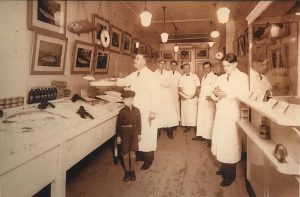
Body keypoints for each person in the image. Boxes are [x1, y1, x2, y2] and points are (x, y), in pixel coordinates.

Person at [210, 53, 249, 187]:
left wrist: (227, 94)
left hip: (232, 113)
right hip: (221, 112)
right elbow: (214, 91)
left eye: (227, 66)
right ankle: (223, 167)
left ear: (235, 64)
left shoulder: (242, 77)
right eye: (223, 66)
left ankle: (230, 175)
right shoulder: (220, 77)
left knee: (230, 143)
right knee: (220, 141)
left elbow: (244, 94)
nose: (225, 68)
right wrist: (215, 94)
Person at [116, 54, 160, 170]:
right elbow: (123, 81)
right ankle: (140, 154)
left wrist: (153, 111)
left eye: (137, 59)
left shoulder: (151, 76)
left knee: (148, 134)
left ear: (144, 62)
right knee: (138, 134)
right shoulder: (135, 74)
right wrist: (109, 81)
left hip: (147, 109)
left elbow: (156, 94)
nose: (134, 60)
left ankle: (149, 159)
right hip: (136, 109)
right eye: (135, 58)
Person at [116, 90, 141, 182]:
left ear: (133, 99)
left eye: (131, 100)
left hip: (134, 133)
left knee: (133, 152)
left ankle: (132, 171)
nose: (129, 102)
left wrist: (139, 134)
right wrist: (118, 136)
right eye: (127, 100)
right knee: (125, 152)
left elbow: (139, 123)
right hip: (124, 134)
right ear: (123, 101)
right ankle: (127, 171)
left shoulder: (137, 110)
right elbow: (118, 125)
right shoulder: (122, 112)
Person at [193, 62, 217, 146]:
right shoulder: (204, 77)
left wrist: (211, 96)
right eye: (204, 68)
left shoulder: (215, 77)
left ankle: (209, 138)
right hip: (202, 101)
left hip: (209, 102)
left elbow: (216, 89)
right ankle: (201, 135)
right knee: (201, 118)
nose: (206, 69)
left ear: (211, 68)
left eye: (208, 67)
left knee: (209, 120)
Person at [154, 59, 179, 139]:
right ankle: (157, 132)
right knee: (159, 113)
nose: (162, 65)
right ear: (157, 64)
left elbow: (168, 83)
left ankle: (170, 132)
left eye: (163, 64)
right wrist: (162, 83)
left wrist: (159, 83)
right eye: (161, 63)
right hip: (158, 95)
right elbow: (154, 84)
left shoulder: (168, 73)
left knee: (169, 114)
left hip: (167, 96)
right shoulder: (154, 73)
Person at [178, 63, 200, 132]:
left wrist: (195, 95)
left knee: (194, 112)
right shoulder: (181, 77)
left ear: (190, 68)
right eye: (185, 68)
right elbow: (180, 88)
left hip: (193, 97)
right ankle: (187, 126)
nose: (186, 69)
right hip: (185, 98)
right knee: (186, 113)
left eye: (188, 68)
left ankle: (195, 126)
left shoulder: (195, 76)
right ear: (183, 69)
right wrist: (182, 96)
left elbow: (198, 87)